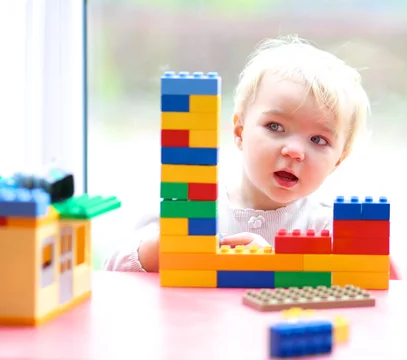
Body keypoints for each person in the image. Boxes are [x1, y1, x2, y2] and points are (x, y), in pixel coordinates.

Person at [104, 35, 371, 272]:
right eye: (275, 127)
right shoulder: (185, 205)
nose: (294, 151)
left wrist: (274, 264)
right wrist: (163, 249)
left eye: (318, 139)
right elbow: (113, 268)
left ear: (338, 160)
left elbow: (353, 292)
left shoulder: (329, 228)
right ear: (240, 132)